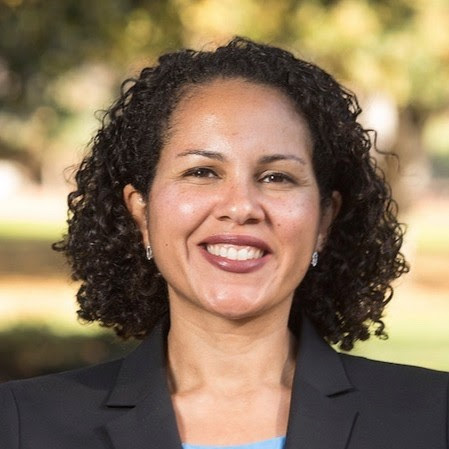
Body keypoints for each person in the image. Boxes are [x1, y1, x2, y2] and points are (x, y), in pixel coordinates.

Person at [0, 37, 447, 449]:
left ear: (324, 220)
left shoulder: (433, 418)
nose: (241, 206)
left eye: (277, 177)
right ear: (141, 211)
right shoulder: (22, 424)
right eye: (202, 172)